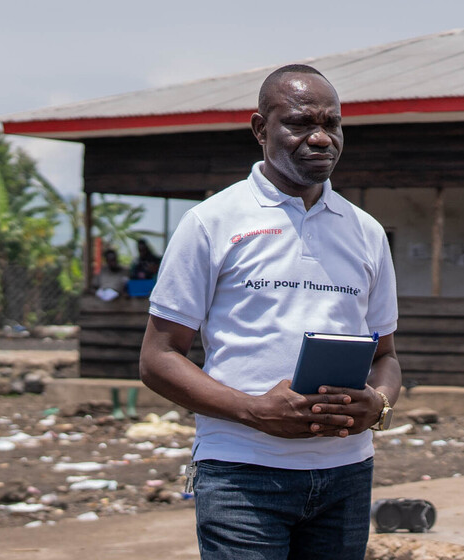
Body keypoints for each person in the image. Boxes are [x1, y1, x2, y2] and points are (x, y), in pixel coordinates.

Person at [138, 64, 401, 560]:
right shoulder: (211, 222)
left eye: (332, 124)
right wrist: (255, 411)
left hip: (345, 475)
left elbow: (385, 355)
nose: (321, 138)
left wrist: (379, 406)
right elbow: (158, 358)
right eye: (301, 124)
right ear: (261, 129)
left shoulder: (365, 231)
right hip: (242, 475)